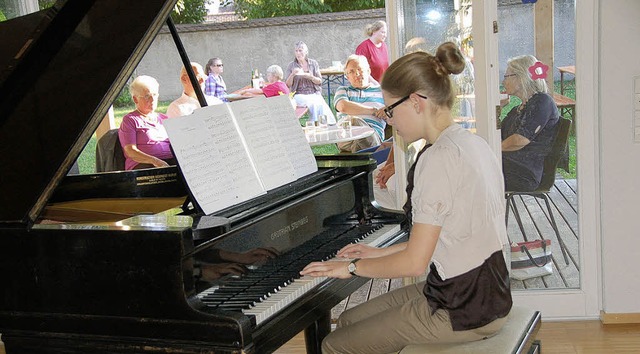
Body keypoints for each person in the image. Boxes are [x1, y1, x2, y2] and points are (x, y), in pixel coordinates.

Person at [301, 42, 512, 354]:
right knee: (347, 320)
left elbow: (415, 263)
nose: (388, 120)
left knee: (334, 345)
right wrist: (374, 254)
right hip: (486, 290)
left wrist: (351, 267)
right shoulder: (473, 143)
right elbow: (447, 236)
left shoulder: (437, 159)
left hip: (463, 308)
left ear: (415, 102)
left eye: (390, 109)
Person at [501, 55, 559, 192]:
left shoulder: (542, 102)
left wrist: (490, 150)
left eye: (506, 76)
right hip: (510, 166)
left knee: (472, 172)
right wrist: (498, 108)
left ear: (521, 78)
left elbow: (520, 140)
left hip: (523, 174)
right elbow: (498, 132)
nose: (503, 82)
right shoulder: (519, 109)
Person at [118, 75, 176, 170]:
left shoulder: (165, 118)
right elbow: (130, 151)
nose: (152, 100)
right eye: (147, 96)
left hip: (170, 162)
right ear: (135, 99)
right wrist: (156, 161)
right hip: (144, 165)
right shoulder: (130, 120)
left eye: (154, 95)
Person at [333, 54, 386, 152]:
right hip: (345, 137)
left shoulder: (382, 92)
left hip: (372, 135)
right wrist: (373, 111)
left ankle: (356, 160)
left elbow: (393, 112)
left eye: (360, 69)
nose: (356, 74)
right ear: (347, 77)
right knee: (353, 121)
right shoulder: (343, 90)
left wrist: (386, 112)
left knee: (360, 139)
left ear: (368, 71)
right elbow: (343, 107)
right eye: (351, 72)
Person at [285, 41, 335, 123]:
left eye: (300, 50)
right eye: (296, 51)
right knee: (313, 104)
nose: (298, 53)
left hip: (313, 93)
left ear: (306, 52)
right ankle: (314, 124)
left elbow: (319, 81)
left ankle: (328, 125)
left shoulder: (313, 63)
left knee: (322, 106)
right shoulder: (291, 66)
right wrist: (293, 74)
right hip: (298, 94)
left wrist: (310, 77)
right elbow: (287, 84)